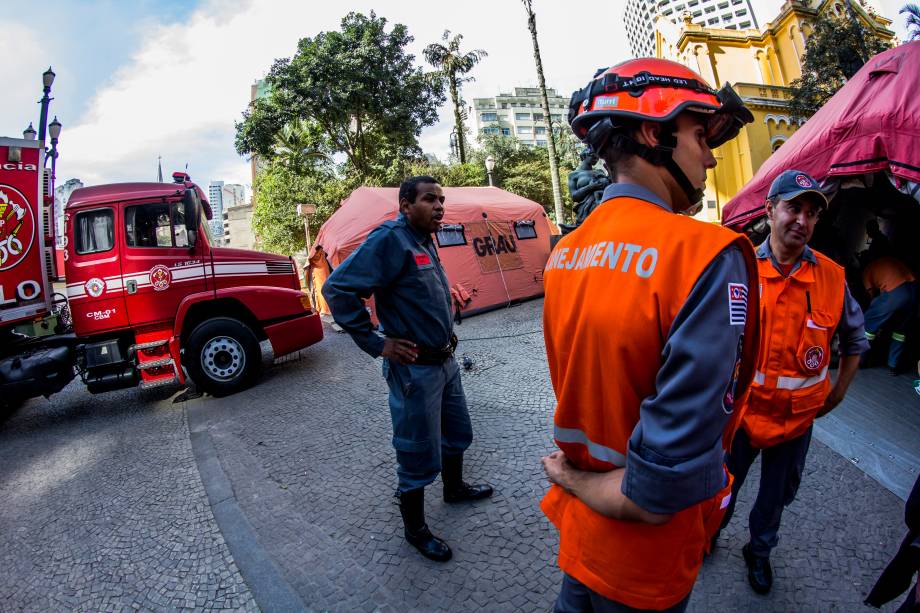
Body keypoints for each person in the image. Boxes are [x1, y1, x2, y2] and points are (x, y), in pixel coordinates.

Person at [540, 58, 759, 612]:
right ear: (654, 133)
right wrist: (577, 483)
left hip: (583, 540)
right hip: (644, 561)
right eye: (700, 135)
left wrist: (576, 481)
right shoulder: (703, 255)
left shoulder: (566, 253)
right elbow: (657, 493)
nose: (710, 156)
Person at [322, 176, 492, 563]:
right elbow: (337, 289)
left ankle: (454, 488)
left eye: (442, 200)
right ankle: (415, 529)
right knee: (415, 449)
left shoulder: (423, 238)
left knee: (457, 432)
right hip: (415, 371)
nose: (439, 206)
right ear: (404, 205)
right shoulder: (390, 239)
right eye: (429, 199)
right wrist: (378, 343)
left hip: (445, 363)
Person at [719, 169, 869, 595]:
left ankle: (759, 554)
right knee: (722, 489)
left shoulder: (831, 278)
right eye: (793, 208)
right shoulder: (739, 266)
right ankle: (708, 533)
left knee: (773, 502)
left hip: (795, 423)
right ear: (769, 210)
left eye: (811, 212)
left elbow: (855, 340)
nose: (801, 220)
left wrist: (836, 395)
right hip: (742, 417)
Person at [862, 255, 918, 374]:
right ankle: (893, 364)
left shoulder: (868, 270)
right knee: (900, 331)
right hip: (914, 291)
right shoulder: (889, 261)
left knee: (868, 322)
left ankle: (860, 360)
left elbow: (871, 297)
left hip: (897, 292)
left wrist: (875, 311)